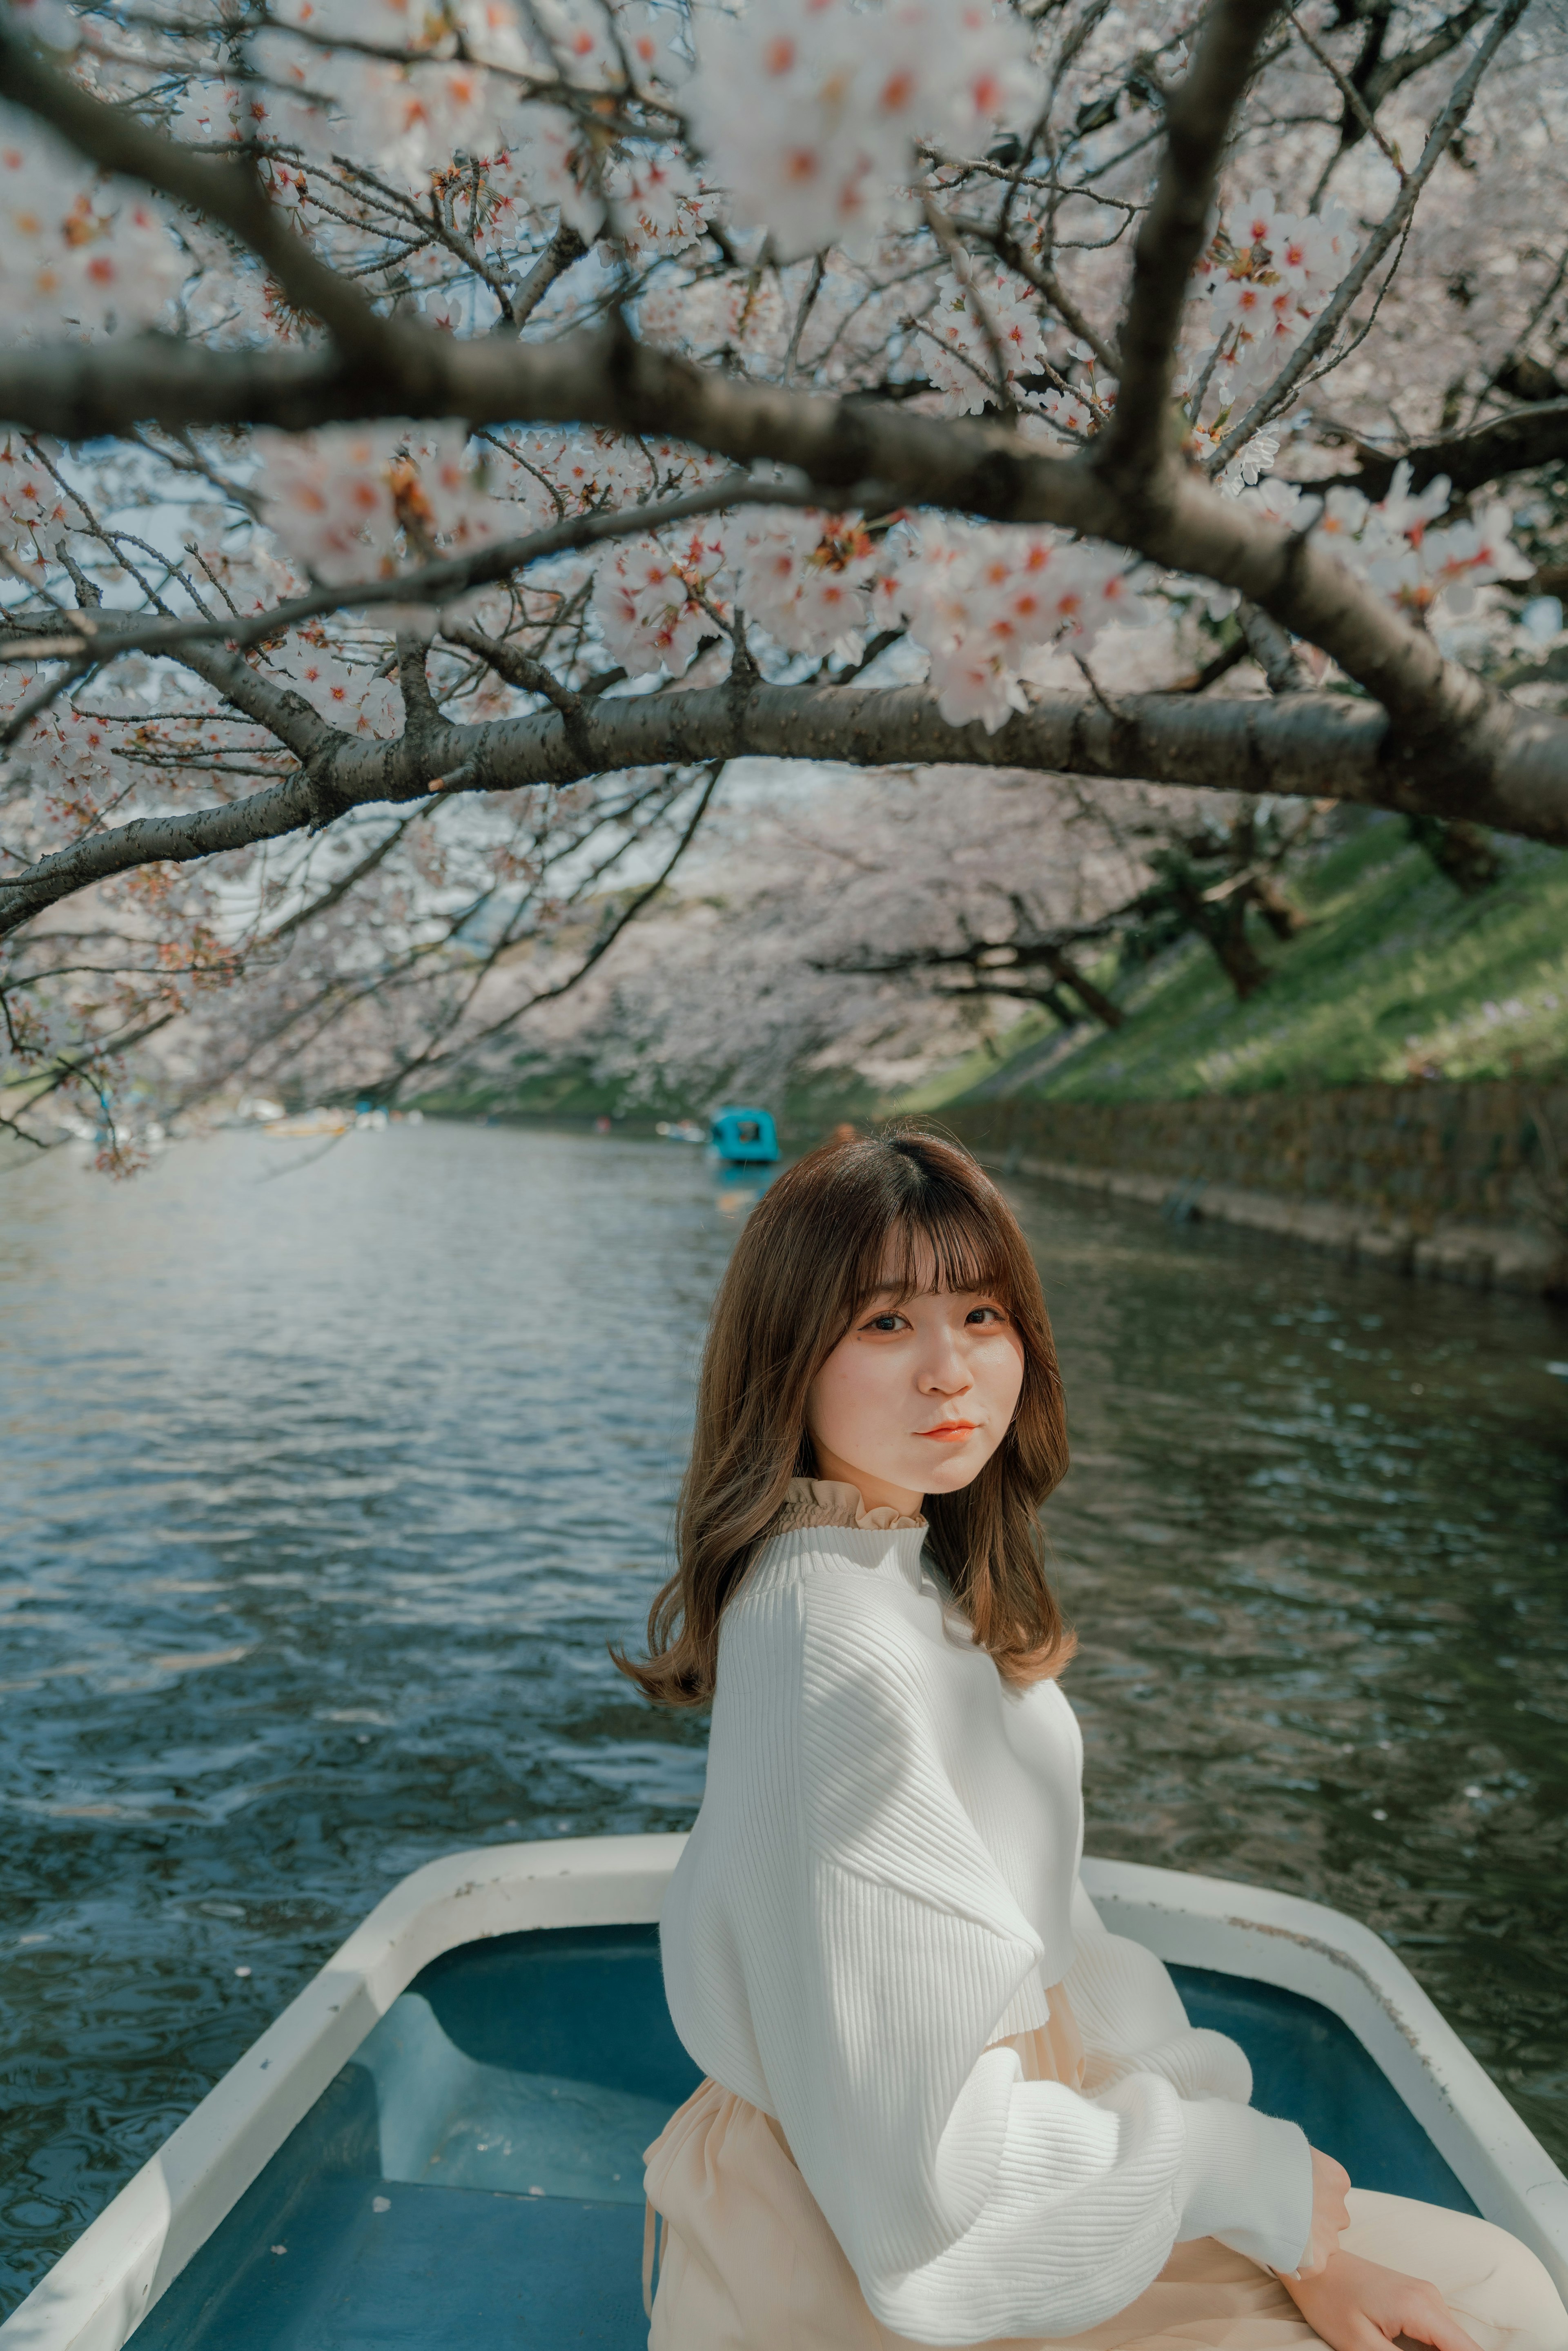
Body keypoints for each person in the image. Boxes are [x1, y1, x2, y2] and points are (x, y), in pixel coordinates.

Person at [618, 1128, 1568, 2351]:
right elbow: (922, 2184)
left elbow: (1060, 1950)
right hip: (885, 2235)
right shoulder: (831, 1640)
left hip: (1028, 2163)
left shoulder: (901, 1568)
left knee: (1497, 2290)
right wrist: (1246, 2185)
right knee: (1503, 2307)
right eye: (886, 1326)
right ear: (786, 1358)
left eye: (984, 1315)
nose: (952, 1374)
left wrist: (1282, 2224)